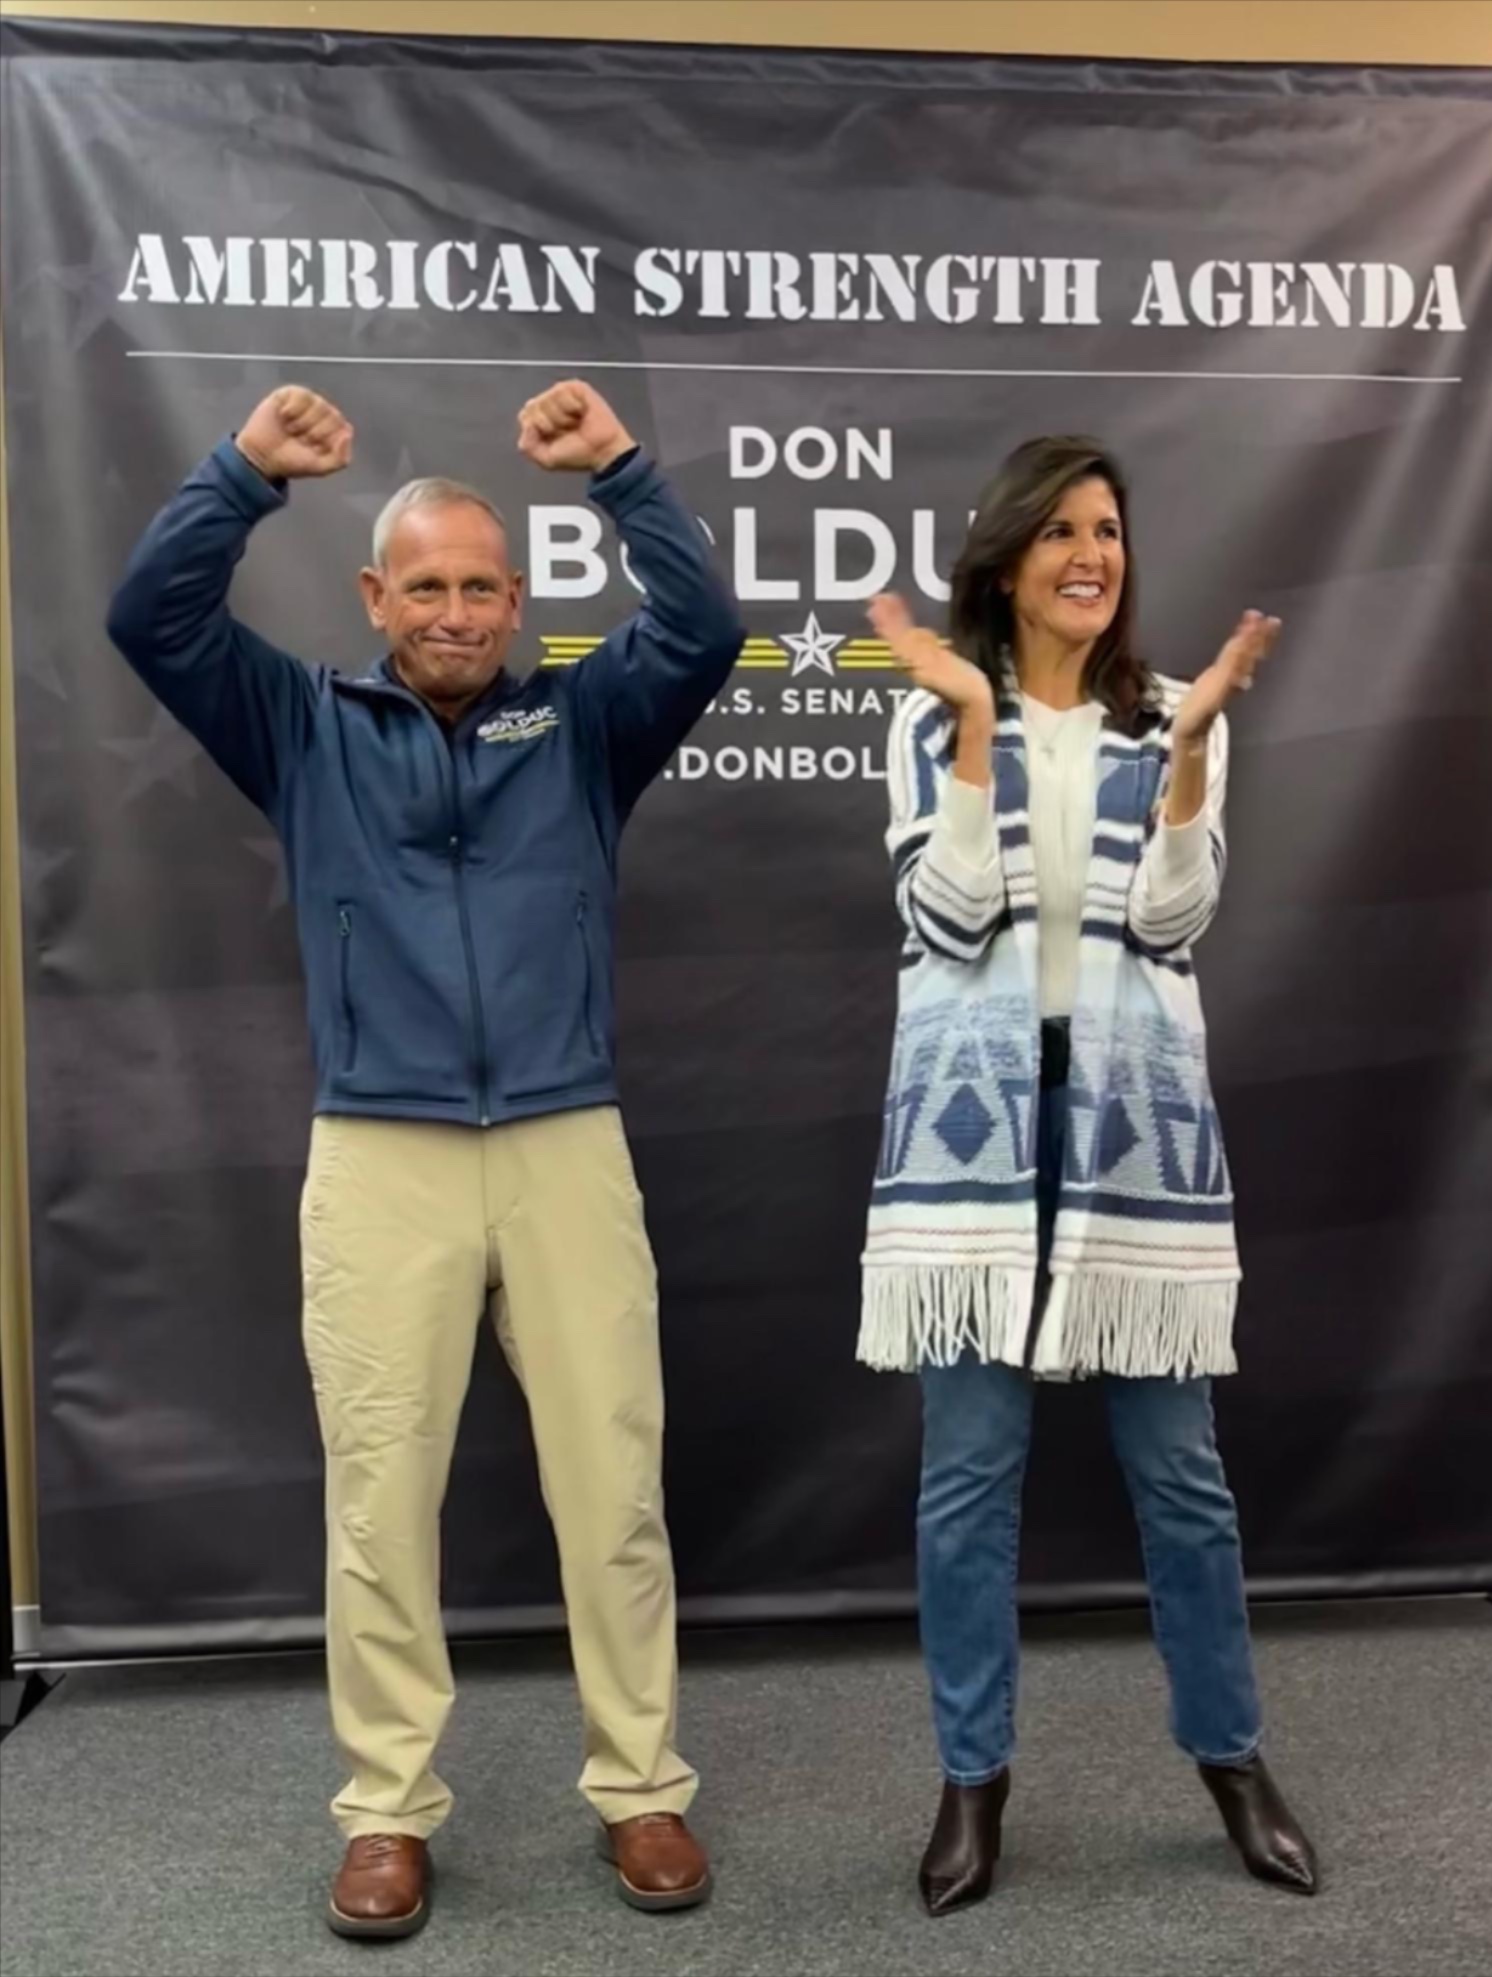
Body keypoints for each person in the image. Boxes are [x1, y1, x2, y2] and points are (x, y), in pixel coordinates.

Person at [107, 380, 744, 1938]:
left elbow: (711, 627)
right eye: (427, 585)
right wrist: (246, 471)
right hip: (379, 1152)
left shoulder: (585, 720)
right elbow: (151, 612)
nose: (454, 610)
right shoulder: (302, 721)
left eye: (480, 585)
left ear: (516, 600)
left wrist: (619, 473)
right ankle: (388, 1810)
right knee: (381, 1500)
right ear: (374, 595)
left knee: (614, 1488)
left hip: (563, 1138)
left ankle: (644, 1785)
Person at [857, 434, 1319, 1915]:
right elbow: (948, 919)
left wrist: (1185, 770)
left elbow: (1176, 928)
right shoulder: (937, 720)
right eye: (1061, 528)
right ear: (1004, 556)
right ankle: (972, 1781)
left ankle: (1233, 1759)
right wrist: (979, 730)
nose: (1091, 552)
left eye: (1108, 528)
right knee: (967, 1482)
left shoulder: (1178, 712)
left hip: (1132, 1139)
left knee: (1181, 1477)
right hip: (977, 1136)